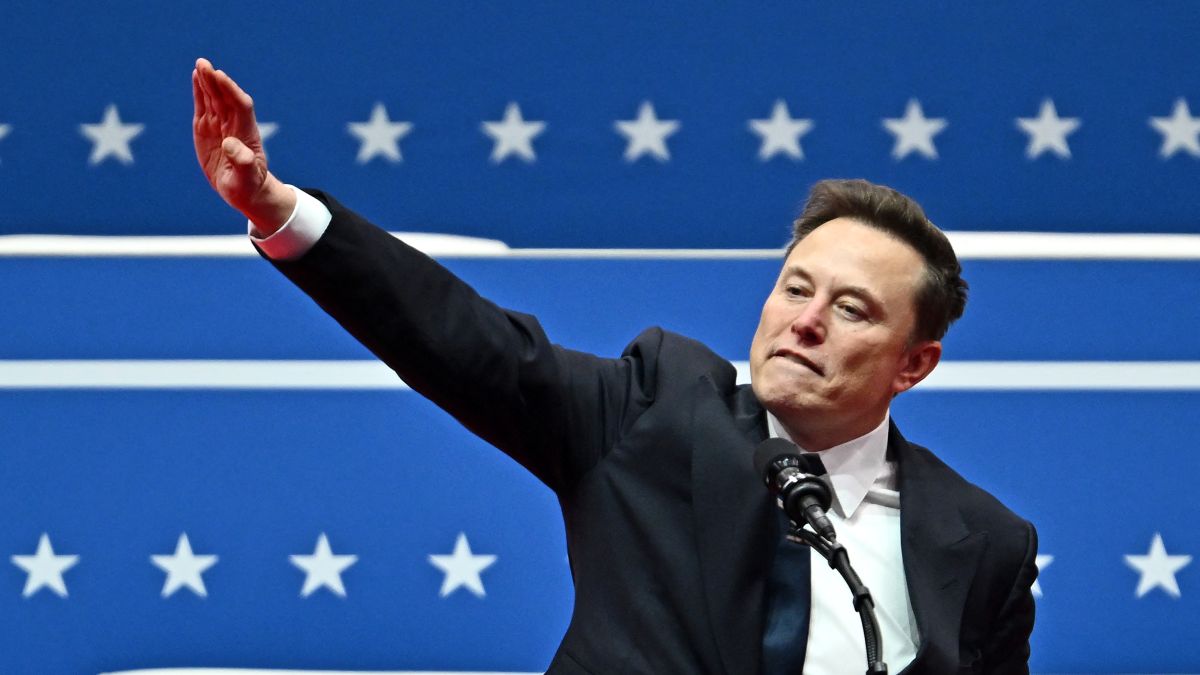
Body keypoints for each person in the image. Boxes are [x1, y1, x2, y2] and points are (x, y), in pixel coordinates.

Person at [193, 58, 1038, 674]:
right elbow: (462, 341)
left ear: (915, 363)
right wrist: (279, 211)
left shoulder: (984, 541)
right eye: (795, 288)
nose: (805, 322)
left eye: (850, 309)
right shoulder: (655, 410)